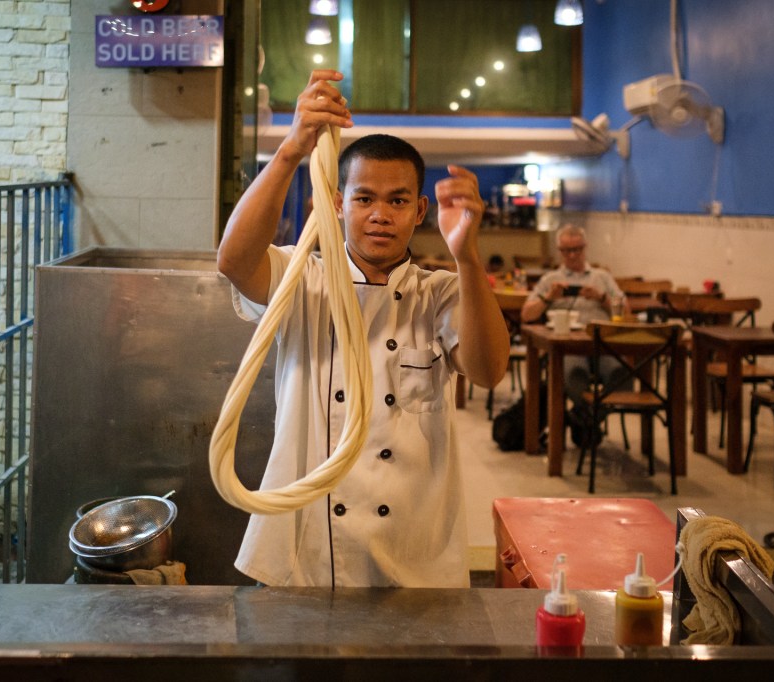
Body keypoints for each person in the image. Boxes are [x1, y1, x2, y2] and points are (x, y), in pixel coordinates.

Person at [216, 70, 509, 588]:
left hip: (413, 547)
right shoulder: (304, 278)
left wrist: (467, 256)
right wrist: (290, 150)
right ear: (337, 203)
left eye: (398, 201)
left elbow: (487, 371)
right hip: (306, 548)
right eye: (364, 198)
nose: (380, 215)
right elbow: (234, 261)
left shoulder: (439, 292)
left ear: (420, 210)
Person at [520, 225, 625, 437]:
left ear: (585, 248)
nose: (572, 255)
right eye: (567, 251)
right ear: (560, 251)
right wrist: (549, 298)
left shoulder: (602, 277)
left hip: (602, 345)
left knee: (622, 374)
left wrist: (601, 297)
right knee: (574, 374)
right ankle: (586, 420)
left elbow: (625, 309)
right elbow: (527, 315)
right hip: (567, 346)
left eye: (577, 249)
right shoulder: (550, 280)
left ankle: (581, 417)